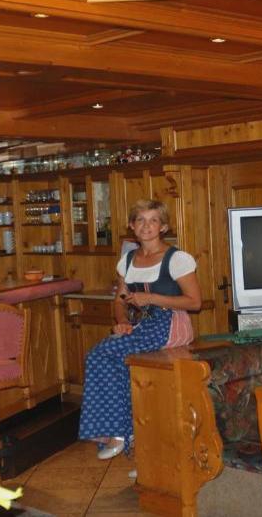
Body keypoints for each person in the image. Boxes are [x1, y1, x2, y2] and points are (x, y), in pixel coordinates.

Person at [78, 199, 201, 469]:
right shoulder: (128, 260)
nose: (147, 226)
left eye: (153, 220)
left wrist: (152, 298)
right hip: (141, 326)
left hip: (170, 325)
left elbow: (194, 302)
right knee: (101, 356)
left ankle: (119, 434)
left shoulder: (177, 259)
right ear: (132, 226)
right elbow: (120, 300)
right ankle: (134, 439)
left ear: (163, 227)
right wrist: (122, 321)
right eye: (140, 220)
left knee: (104, 354)